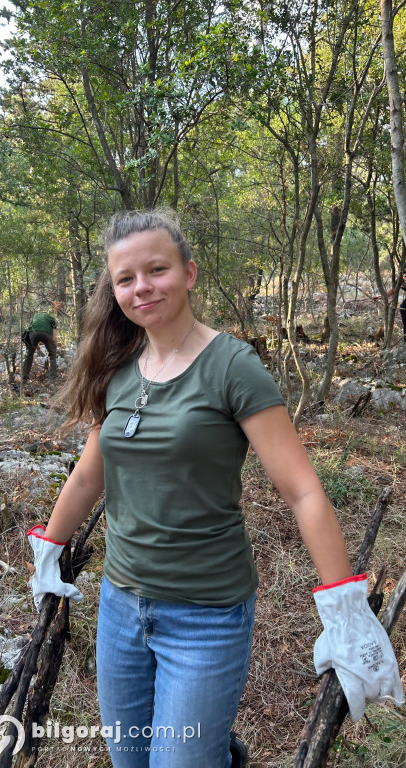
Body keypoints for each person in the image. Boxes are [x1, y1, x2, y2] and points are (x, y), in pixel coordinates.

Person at [27, 210, 404, 768]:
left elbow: (302, 490)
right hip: (121, 608)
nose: (141, 288)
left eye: (157, 269)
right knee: (129, 759)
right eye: (126, 279)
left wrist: (344, 608)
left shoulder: (233, 366)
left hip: (205, 618)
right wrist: (48, 552)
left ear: (190, 273)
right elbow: (89, 474)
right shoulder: (119, 368)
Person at [22, 310, 58, 383]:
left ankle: (24, 379)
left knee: (29, 355)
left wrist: (35, 346)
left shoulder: (35, 317)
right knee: (52, 355)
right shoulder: (51, 318)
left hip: (33, 332)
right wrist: (53, 345)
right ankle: (52, 378)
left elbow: (31, 329)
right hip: (46, 333)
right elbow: (54, 336)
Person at [386, 269, 406, 343]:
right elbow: (391, 291)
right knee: (403, 309)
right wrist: (380, 297)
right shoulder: (400, 279)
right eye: (404, 276)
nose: (405, 277)